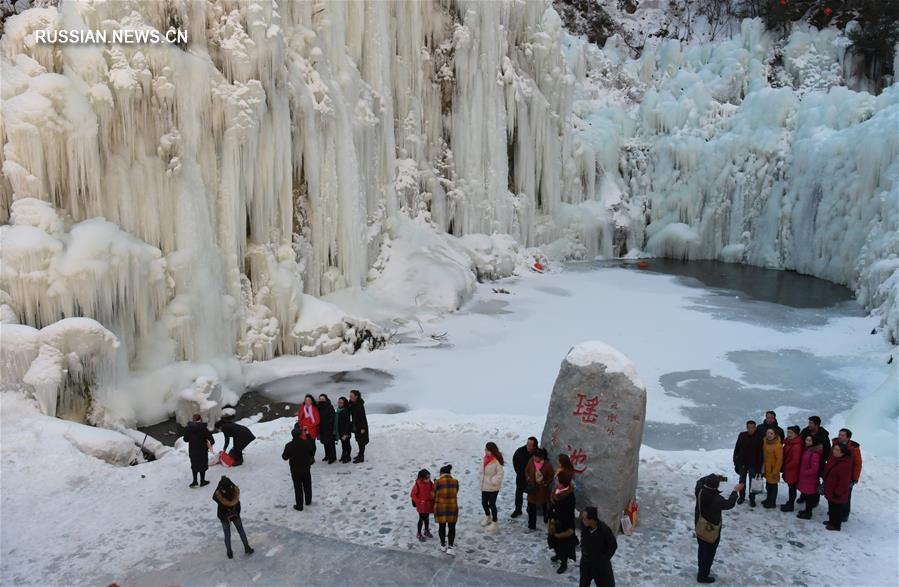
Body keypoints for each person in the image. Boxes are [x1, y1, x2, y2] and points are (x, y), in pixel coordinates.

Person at [694, 474, 743, 584]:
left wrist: (714, 477)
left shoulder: (700, 489)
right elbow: (729, 504)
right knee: (709, 552)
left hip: (699, 524)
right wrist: (735, 491)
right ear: (716, 487)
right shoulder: (716, 499)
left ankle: (701, 567)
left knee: (701, 547)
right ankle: (703, 575)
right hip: (711, 529)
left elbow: (699, 480)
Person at [212, 475, 254, 558]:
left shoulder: (219, 494)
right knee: (241, 531)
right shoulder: (234, 492)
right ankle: (247, 547)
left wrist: (219, 486)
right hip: (235, 513)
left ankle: (229, 552)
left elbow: (214, 497)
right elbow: (237, 498)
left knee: (227, 535)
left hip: (223, 515)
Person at [547, 471, 578, 574]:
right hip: (554, 522)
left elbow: (567, 513)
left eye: (558, 482)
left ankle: (563, 563)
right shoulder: (557, 490)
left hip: (564, 524)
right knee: (554, 540)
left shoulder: (569, 497)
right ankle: (557, 554)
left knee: (563, 545)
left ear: (563, 483)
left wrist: (555, 515)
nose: (556, 483)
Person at [579, 506, 617, 587]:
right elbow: (583, 537)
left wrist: (603, 559)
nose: (582, 520)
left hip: (600, 566)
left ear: (592, 520)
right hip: (586, 563)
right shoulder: (584, 525)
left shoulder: (604, 530)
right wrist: (583, 548)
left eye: (585, 519)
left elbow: (613, 546)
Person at [831, 428, 862, 522]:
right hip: (835, 474)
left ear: (848, 438)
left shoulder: (853, 448)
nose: (839, 436)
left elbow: (857, 464)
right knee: (833, 493)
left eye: (842, 435)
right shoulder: (835, 443)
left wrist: (855, 478)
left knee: (845, 496)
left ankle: (844, 514)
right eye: (839, 434)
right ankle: (835, 512)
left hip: (847, 477)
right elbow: (831, 457)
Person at [282, 426, 314, 511]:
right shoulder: (306, 443)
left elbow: (284, 457)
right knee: (307, 485)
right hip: (306, 468)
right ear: (300, 435)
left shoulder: (289, 445)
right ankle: (308, 501)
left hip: (295, 470)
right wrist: (307, 433)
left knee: (298, 488)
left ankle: (299, 506)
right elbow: (312, 446)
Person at [732, 420, 763, 506]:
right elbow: (737, 449)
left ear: (755, 428)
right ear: (746, 427)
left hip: (753, 464)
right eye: (748, 427)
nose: (750, 429)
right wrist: (736, 462)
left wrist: (759, 467)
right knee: (742, 481)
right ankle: (741, 497)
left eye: (752, 427)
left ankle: (752, 498)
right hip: (742, 463)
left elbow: (760, 453)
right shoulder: (742, 435)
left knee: (752, 482)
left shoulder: (759, 437)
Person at [823, 443, 852, 531]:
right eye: (834, 449)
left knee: (837, 509)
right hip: (831, 488)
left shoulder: (844, 464)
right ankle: (831, 521)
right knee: (831, 507)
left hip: (837, 491)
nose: (834, 451)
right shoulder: (834, 459)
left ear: (843, 453)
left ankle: (836, 525)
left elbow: (844, 481)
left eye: (837, 450)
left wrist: (838, 492)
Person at [525, 448, 553, 530]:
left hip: (542, 490)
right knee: (531, 507)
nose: (534, 458)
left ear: (541, 457)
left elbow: (551, 476)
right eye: (534, 456)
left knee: (543, 504)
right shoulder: (531, 461)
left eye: (536, 457)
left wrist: (546, 483)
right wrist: (528, 478)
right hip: (532, 488)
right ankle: (531, 525)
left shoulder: (547, 465)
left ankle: (545, 515)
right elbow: (526, 470)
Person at [479, 442, 505, 532]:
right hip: (484, 486)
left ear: (493, 451)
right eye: (485, 450)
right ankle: (487, 516)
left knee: (492, 504)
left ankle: (495, 521)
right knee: (484, 503)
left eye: (488, 450)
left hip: (493, 487)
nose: (486, 452)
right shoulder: (485, 459)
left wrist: (493, 481)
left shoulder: (497, 461)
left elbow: (500, 474)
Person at [434, 464, 459, 556]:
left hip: (441, 508)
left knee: (442, 527)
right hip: (452, 507)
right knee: (452, 528)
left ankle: (443, 545)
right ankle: (450, 547)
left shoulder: (437, 482)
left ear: (441, 473)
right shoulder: (455, 482)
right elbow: (455, 492)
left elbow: (433, 495)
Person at [183, 414, 214, 487]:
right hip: (202, 451)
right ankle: (202, 481)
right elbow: (212, 440)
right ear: (200, 419)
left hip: (193, 450)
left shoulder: (189, 429)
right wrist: (208, 444)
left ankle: (195, 481)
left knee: (194, 465)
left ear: (193, 420)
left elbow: (185, 439)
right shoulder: (204, 428)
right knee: (202, 465)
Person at [796, 435, 822, 519]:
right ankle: (806, 511)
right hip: (806, 479)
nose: (807, 442)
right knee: (807, 496)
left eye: (809, 441)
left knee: (810, 497)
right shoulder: (808, 450)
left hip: (810, 479)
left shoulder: (814, 454)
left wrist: (804, 472)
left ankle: (808, 513)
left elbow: (814, 469)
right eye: (806, 440)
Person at [511, 437, 538, 518]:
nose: (528, 447)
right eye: (527, 444)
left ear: (535, 446)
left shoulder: (537, 453)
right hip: (521, 477)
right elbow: (515, 461)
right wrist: (519, 473)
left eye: (530, 445)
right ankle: (518, 509)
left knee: (532, 494)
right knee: (519, 493)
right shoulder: (520, 451)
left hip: (532, 478)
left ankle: (530, 509)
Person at [780, 426, 803, 512]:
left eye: (791, 433)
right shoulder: (789, 442)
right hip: (789, 469)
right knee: (791, 487)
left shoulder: (797, 446)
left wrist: (785, 467)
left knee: (792, 488)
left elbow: (795, 461)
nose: (788, 434)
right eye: (788, 432)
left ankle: (790, 505)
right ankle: (790, 503)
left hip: (792, 470)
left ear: (796, 434)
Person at [410, 469, 435, 541]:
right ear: (421, 478)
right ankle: (419, 533)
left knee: (426, 518)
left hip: (428, 504)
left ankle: (426, 530)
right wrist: (419, 501)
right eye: (427, 478)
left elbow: (434, 489)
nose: (428, 479)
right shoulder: (417, 484)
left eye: (429, 477)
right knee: (421, 519)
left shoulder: (430, 482)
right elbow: (413, 495)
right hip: (421, 506)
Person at [760, 428, 783, 509]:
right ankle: (768, 499)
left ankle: (772, 502)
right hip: (767, 468)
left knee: (773, 486)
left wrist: (775, 471)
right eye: (768, 433)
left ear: (775, 435)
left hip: (773, 469)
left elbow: (779, 459)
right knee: (768, 485)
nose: (769, 435)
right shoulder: (765, 442)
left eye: (771, 433)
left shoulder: (778, 445)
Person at [297, 394, 320, 463]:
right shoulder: (302, 408)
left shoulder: (314, 409)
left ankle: (312, 457)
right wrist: (300, 425)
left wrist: (309, 426)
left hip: (312, 429)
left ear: (312, 401)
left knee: (312, 444)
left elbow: (317, 420)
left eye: (309, 400)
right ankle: (307, 457)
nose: (307, 401)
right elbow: (299, 417)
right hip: (303, 429)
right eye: (306, 400)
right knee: (305, 444)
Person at [349, 389, 369, 463]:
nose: (350, 397)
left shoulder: (359, 405)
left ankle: (361, 456)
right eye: (350, 396)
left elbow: (363, 417)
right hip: (355, 425)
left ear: (356, 396)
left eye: (351, 396)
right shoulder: (351, 403)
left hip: (361, 426)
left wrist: (363, 428)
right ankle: (360, 454)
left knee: (362, 441)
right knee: (358, 440)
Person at [317, 394, 337, 464]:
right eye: (320, 399)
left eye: (323, 399)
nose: (321, 400)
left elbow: (333, 417)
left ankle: (333, 457)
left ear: (326, 399)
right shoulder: (319, 407)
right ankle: (327, 455)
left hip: (329, 428)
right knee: (325, 442)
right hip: (322, 428)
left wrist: (328, 424)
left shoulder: (330, 407)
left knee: (331, 443)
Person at [336, 396, 352, 463]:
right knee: (343, 444)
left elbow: (348, 424)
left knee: (347, 444)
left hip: (346, 432)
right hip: (341, 431)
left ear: (344, 403)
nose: (339, 404)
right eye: (339, 402)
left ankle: (348, 457)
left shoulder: (346, 411)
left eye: (341, 402)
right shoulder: (339, 410)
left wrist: (346, 434)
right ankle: (344, 455)